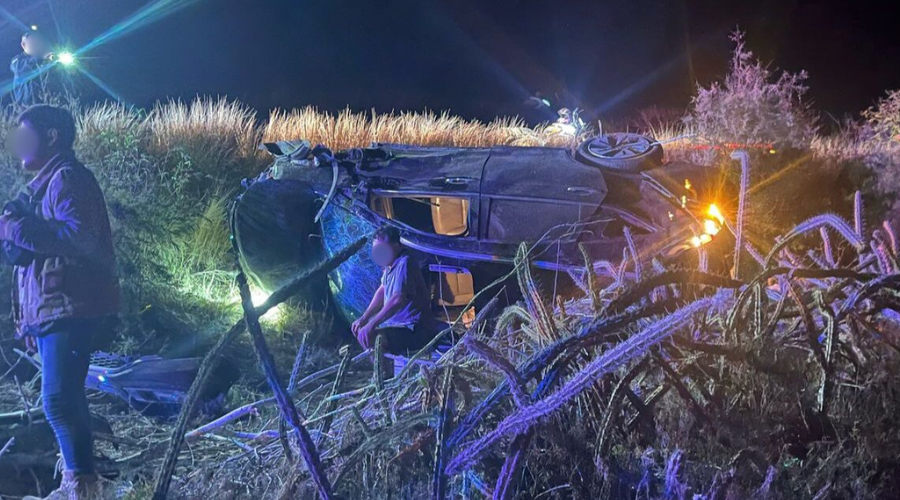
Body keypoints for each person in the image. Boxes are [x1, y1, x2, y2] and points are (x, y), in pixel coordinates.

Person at [0, 105, 120, 500]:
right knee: (64, 397)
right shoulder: (43, 186)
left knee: (57, 399)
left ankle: (81, 488)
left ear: (51, 136)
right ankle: (80, 483)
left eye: (24, 132)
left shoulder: (67, 178)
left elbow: (78, 239)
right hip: (56, 309)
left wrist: (15, 226)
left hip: (72, 305)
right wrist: (29, 324)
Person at [351, 225, 441, 355]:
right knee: (363, 332)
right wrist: (364, 318)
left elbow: (397, 299)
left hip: (414, 328)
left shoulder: (405, 262)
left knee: (372, 336)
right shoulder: (389, 266)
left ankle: (384, 374)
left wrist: (372, 324)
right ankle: (383, 372)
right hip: (398, 325)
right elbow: (382, 290)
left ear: (397, 245)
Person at [10, 31, 56, 108]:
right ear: (23, 45)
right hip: (26, 106)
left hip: (46, 103)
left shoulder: (45, 59)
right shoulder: (17, 60)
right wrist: (40, 58)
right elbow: (22, 67)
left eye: (38, 43)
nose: (36, 46)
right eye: (33, 43)